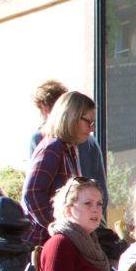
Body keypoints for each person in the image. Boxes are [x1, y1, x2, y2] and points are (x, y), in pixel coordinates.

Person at [25, 91, 97, 246]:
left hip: (56, 241)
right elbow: (31, 193)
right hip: (43, 242)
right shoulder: (53, 147)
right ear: (71, 117)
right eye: (88, 122)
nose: (92, 129)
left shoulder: (68, 149)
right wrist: (56, 226)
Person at [30, 80, 105, 186]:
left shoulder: (42, 139)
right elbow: (100, 187)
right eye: (88, 122)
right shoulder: (89, 141)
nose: (91, 129)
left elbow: (33, 191)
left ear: (44, 107)